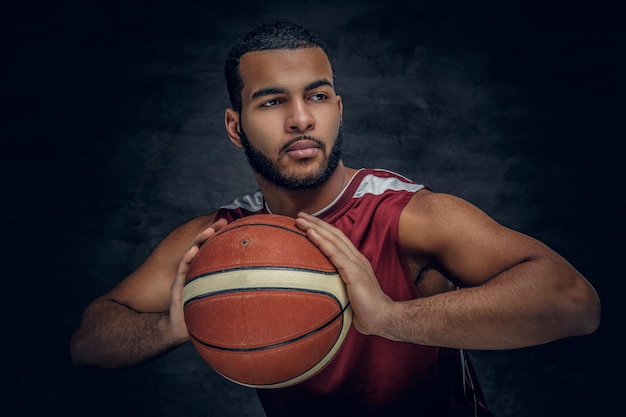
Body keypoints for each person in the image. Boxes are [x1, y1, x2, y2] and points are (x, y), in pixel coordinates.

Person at [70, 21, 601, 416]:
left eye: (317, 96)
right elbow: (90, 340)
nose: (301, 119)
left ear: (338, 108)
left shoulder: (406, 214)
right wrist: (171, 326)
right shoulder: (217, 242)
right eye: (273, 101)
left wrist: (390, 317)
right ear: (235, 127)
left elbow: (573, 302)